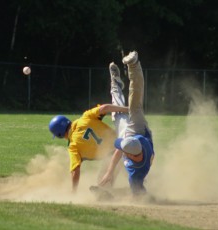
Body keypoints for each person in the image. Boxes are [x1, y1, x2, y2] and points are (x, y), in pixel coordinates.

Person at [48, 65, 129, 193]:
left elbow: (75, 171)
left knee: (103, 183)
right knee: (118, 110)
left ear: (59, 134)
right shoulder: (84, 118)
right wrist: (127, 109)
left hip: (116, 153)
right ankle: (115, 85)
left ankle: (129, 191)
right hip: (124, 134)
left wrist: (73, 192)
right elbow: (105, 108)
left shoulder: (73, 146)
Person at [99, 51, 155, 196]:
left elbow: (121, 149)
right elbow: (123, 149)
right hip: (139, 129)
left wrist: (109, 173)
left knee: (117, 115)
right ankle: (134, 64)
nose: (121, 149)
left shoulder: (133, 150)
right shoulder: (138, 169)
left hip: (131, 136)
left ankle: (115, 83)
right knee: (135, 104)